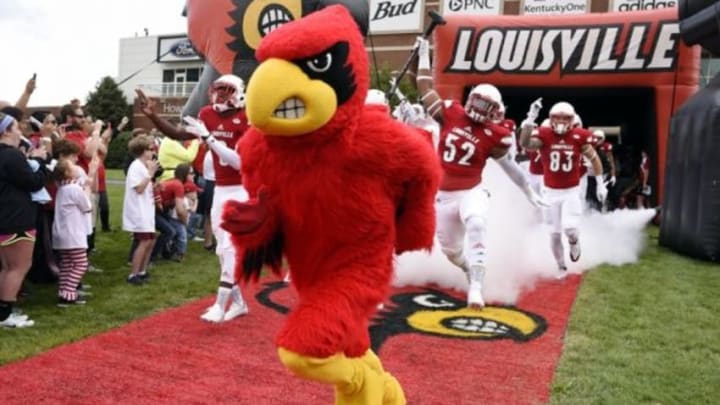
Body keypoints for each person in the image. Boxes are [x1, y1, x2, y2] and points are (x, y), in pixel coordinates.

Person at [415, 36, 545, 309]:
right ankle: (468, 269)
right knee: (451, 252)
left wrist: (528, 190)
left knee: (476, 222)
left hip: (471, 191)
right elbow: (425, 87)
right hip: (443, 196)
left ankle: (476, 287)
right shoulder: (451, 113)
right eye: (478, 101)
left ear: (495, 111)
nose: (479, 109)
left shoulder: (496, 135)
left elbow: (509, 166)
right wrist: (424, 54)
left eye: (487, 106)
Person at [137, 74, 249, 322]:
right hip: (220, 188)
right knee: (222, 250)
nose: (220, 95)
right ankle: (239, 303)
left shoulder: (248, 117)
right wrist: (153, 116)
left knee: (230, 247)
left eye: (226, 90)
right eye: (218, 89)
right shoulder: (207, 114)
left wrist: (209, 138)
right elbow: (178, 134)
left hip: (242, 188)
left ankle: (221, 303)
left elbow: (239, 162)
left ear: (239, 92)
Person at [519, 101, 607, 275]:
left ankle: (574, 242)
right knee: (553, 234)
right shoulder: (544, 135)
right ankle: (561, 265)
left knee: (570, 229)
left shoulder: (578, 136)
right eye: (556, 117)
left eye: (565, 118)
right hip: (549, 192)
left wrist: (600, 183)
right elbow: (525, 143)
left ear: (572, 120)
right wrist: (531, 118)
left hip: (571, 191)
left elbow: (595, 159)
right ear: (550, 119)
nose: (560, 121)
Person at [0, 113, 50, 327]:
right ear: (6, 131)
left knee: (7, 267)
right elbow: (33, 182)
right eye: (16, 127)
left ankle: (3, 310)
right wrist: (41, 160)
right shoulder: (10, 155)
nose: (20, 131)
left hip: (6, 216)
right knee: (18, 267)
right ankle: (5, 315)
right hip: (16, 218)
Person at [52, 158, 96, 306]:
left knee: (66, 263)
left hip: (61, 233)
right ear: (67, 172)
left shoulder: (62, 188)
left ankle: (62, 291)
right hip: (73, 233)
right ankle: (69, 293)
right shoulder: (74, 189)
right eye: (72, 166)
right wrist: (88, 188)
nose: (76, 167)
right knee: (81, 264)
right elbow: (87, 206)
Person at [122, 136, 159, 285]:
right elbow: (138, 188)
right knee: (144, 240)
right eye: (150, 150)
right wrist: (150, 174)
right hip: (139, 210)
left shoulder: (143, 167)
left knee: (151, 239)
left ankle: (142, 271)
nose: (153, 153)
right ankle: (134, 274)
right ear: (143, 151)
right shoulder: (135, 166)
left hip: (147, 208)